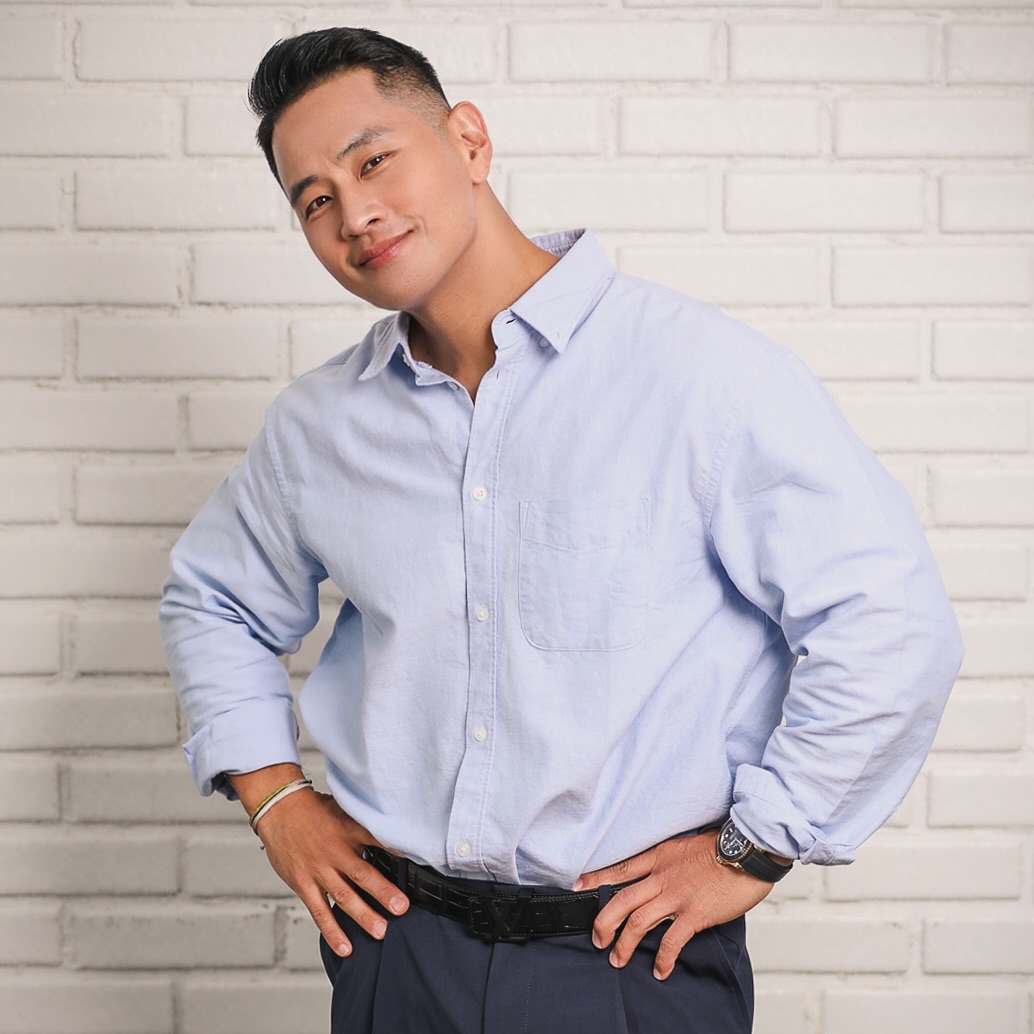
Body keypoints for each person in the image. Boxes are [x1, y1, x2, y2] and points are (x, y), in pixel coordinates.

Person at [160, 26, 963, 1034]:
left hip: (625, 963)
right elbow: (214, 601)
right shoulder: (320, 425)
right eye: (313, 200)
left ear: (467, 140)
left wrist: (755, 847)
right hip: (398, 954)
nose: (354, 215)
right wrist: (276, 799)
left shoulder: (697, 375)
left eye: (373, 162)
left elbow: (888, 621)